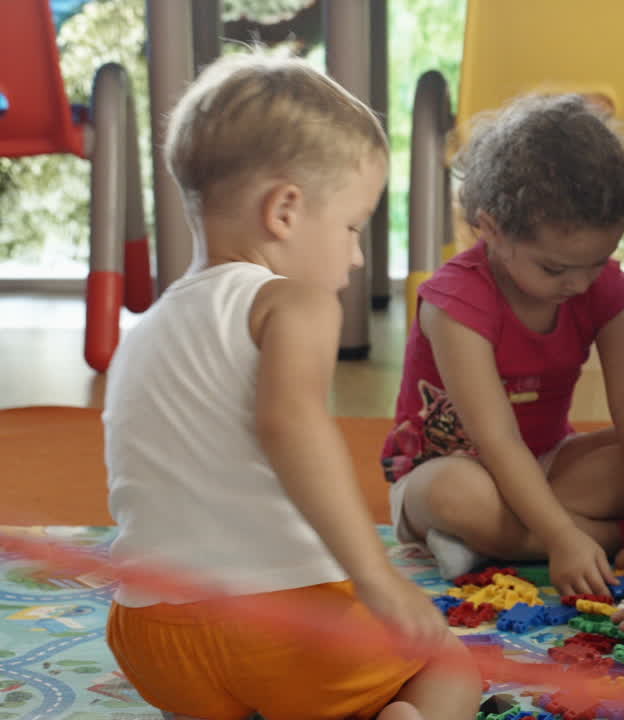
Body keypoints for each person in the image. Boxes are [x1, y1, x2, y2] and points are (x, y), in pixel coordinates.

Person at [103, 54, 480, 720]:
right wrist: (377, 580)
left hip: (153, 642)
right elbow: (292, 428)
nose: (356, 255)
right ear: (284, 210)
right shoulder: (291, 304)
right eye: (352, 227)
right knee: (448, 664)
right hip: (289, 635)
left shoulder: (146, 329)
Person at [382, 94, 624, 597]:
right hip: (448, 474)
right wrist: (562, 537)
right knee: (461, 495)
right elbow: (495, 437)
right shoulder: (454, 302)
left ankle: (492, 542)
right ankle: (610, 535)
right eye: (556, 268)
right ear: (490, 229)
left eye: (598, 260)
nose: (581, 284)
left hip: (548, 465)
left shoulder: (601, 286)